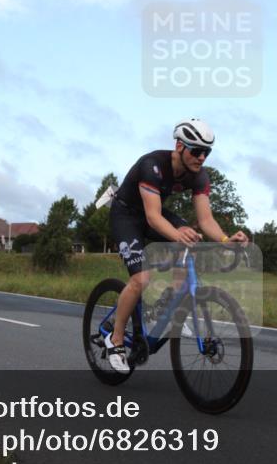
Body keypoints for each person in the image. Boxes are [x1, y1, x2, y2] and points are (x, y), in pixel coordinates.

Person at [105, 118, 248, 373]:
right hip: (127, 215)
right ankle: (115, 339)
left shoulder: (199, 175)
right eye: (196, 151)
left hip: (154, 214)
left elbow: (206, 220)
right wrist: (176, 235)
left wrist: (226, 240)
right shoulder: (153, 166)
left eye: (207, 152)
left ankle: (167, 306)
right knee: (141, 279)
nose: (202, 157)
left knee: (190, 236)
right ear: (179, 146)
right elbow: (153, 218)